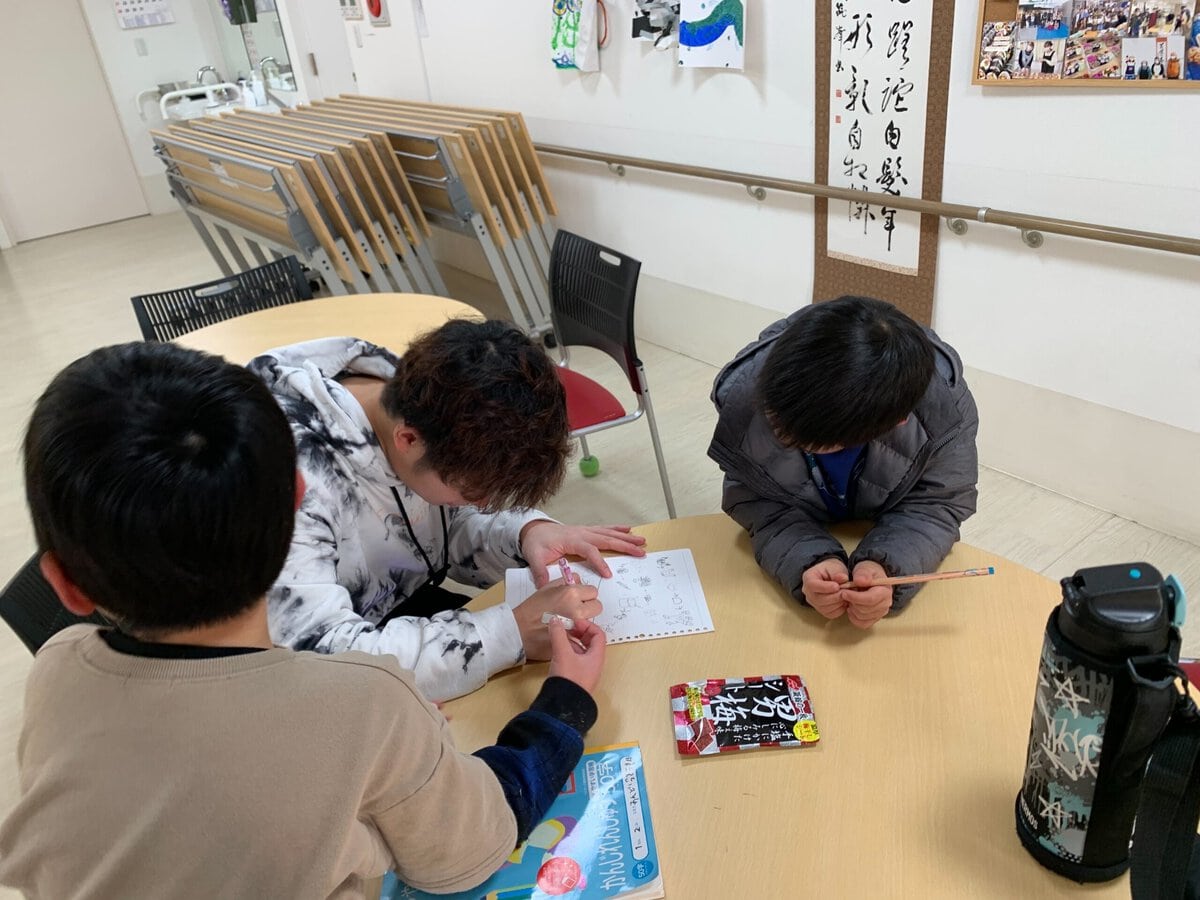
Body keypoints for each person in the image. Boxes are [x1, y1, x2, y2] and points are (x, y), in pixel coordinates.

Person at [0, 342, 606, 898]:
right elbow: (470, 850)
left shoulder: (55, 672)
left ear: (65, 586)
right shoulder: (365, 703)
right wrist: (564, 704)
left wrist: (522, 531)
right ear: (299, 498)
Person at [248, 321, 644, 702]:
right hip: (313, 674)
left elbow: (436, 524)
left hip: (398, 612)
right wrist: (509, 633)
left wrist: (526, 533)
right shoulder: (286, 481)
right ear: (408, 439)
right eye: (473, 491)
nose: (484, 505)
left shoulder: (416, 402)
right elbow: (323, 661)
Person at [707, 296, 979, 629]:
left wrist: (888, 568)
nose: (778, 431)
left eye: (810, 441)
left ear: (897, 422)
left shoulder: (942, 410)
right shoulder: (748, 397)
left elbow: (938, 504)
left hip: (884, 530)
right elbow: (754, 499)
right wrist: (807, 560)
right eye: (775, 420)